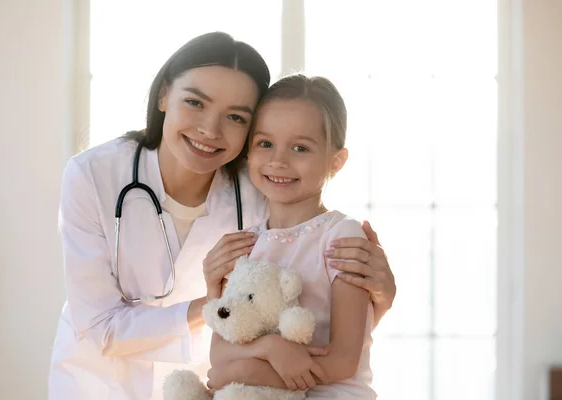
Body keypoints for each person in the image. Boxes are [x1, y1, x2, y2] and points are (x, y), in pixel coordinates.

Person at [48, 32, 395, 400]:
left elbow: (319, 307)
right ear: (164, 93)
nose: (210, 130)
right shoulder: (92, 175)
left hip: (232, 384)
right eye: (195, 102)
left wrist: (381, 294)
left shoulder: (263, 184)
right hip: (100, 383)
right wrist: (216, 308)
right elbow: (100, 325)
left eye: (235, 117)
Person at [206, 75, 380, 399]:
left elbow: (342, 361)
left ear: (336, 161)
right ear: (248, 151)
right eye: (265, 143)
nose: (278, 160)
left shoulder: (341, 237)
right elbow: (220, 354)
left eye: (300, 147)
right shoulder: (245, 244)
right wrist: (271, 347)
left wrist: (247, 370)